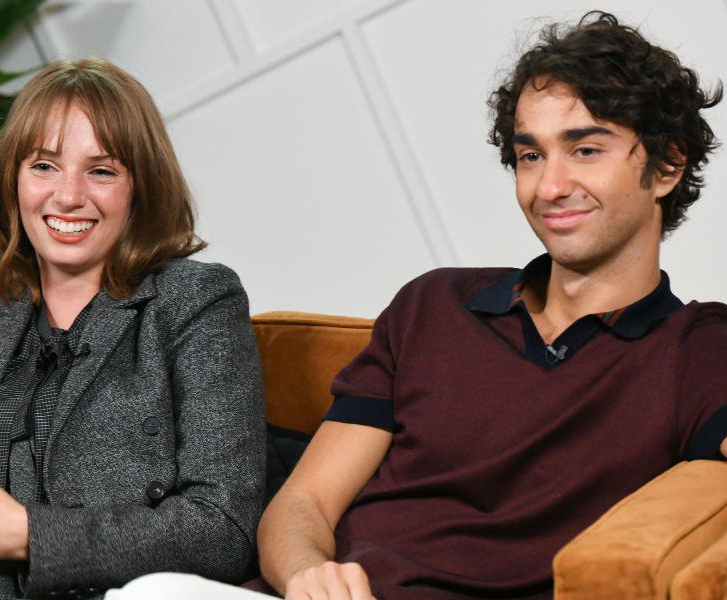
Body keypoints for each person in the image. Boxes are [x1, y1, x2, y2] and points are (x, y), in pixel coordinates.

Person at [246, 11, 727, 600]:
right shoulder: (435, 303)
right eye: (530, 156)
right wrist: (305, 572)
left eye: (585, 150)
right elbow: (304, 501)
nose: (547, 187)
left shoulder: (697, 349)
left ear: (667, 166)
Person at [0, 58, 265, 599]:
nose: (67, 195)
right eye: (43, 166)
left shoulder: (196, 303)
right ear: (13, 180)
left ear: (141, 188)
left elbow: (223, 530)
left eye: (102, 170)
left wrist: (28, 536)